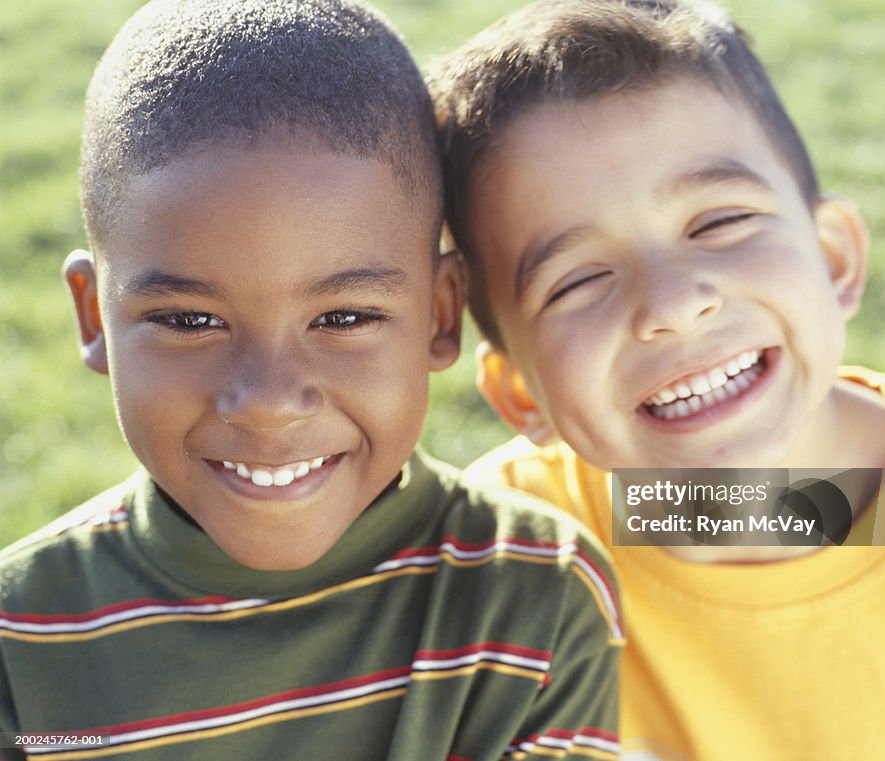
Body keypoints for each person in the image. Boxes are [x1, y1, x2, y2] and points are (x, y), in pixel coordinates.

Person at [0, 2, 625, 759]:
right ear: (95, 315)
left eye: (344, 318)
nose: (267, 401)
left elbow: (807, 503)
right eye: (190, 321)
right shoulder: (21, 643)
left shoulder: (533, 603)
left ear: (439, 312)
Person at [429, 0, 885, 758]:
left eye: (718, 223)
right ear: (519, 394)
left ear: (834, 258)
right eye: (577, 279)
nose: (673, 305)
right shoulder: (490, 569)